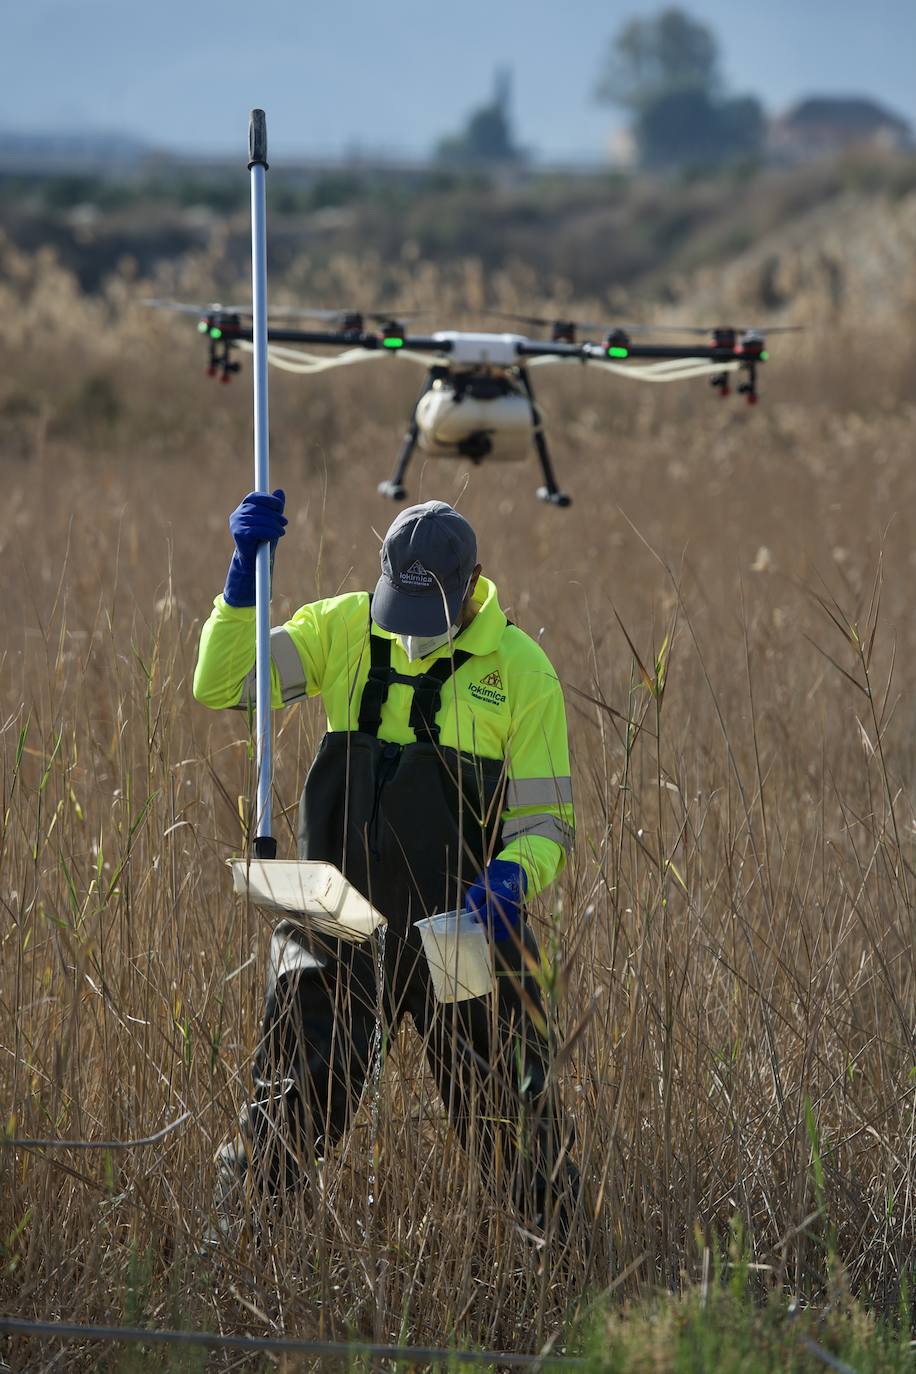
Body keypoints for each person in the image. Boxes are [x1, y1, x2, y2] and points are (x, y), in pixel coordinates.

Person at [194, 492, 578, 1235]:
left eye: (425, 617)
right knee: (291, 1099)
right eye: (396, 610)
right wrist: (242, 581)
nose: (406, 637)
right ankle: (232, 1245)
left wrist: (511, 878)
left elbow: (545, 824)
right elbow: (223, 683)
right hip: (334, 916)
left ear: (472, 587)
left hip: (462, 928)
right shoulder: (339, 627)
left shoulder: (524, 672)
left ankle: (561, 1268)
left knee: (505, 1109)